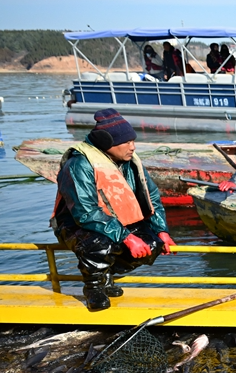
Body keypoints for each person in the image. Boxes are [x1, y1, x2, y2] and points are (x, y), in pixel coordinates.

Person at [51, 109, 174, 311]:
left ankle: (105, 273)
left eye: (133, 141)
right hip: (76, 225)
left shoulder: (130, 162)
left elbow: (151, 197)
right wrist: (126, 237)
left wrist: (162, 230)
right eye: (126, 143)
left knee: (153, 243)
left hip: (118, 222)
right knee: (101, 244)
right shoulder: (78, 164)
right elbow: (85, 212)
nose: (132, 147)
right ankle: (93, 287)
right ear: (107, 144)